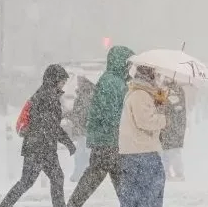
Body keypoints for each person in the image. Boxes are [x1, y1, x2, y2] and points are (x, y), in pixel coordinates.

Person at [68, 45, 135, 207]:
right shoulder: (112, 83)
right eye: (128, 63)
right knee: (100, 177)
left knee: (107, 178)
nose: (130, 67)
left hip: (107, 141)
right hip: (109, 141)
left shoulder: (115, 81)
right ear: (120, 62)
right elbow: (111, 114)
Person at [0, 64, 76, 207]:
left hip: (39, 146)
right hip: (40, 147)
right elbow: (51, 126)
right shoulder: (47, 97)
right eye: (62, 81)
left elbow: (50, 125)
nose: (63, 84)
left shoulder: (45, 94)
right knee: (34, 181)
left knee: (46, 179)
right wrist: (68, 142)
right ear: (54, 80)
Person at [118, 65, 168, 207]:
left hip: (134, 152)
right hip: (142, 152)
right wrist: (164, 118)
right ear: (149, 75)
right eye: (156, 74)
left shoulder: (139, 92)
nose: (158, 78)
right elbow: (145, 121)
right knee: (150, 194)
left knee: (134, 196)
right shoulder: (140, 94)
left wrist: (158, 104)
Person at [67, 77, 96, 183]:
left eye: (80, 81)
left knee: (82, 153)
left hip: (84, 130)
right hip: (83, 129)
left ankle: (80, 174)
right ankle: (81, 174)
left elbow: (83, 112)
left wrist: (75, 118)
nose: (77, 83)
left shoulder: (85, 95)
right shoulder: (84, 94)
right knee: (82, 153)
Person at [159, 80, 187, 181]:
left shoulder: (175, 90)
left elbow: (175, 107)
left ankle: (177, 173)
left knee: (173, 150)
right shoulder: (167, 89)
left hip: (173, 126)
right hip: (171, 126)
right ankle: (167, 172)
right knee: (167, 150)